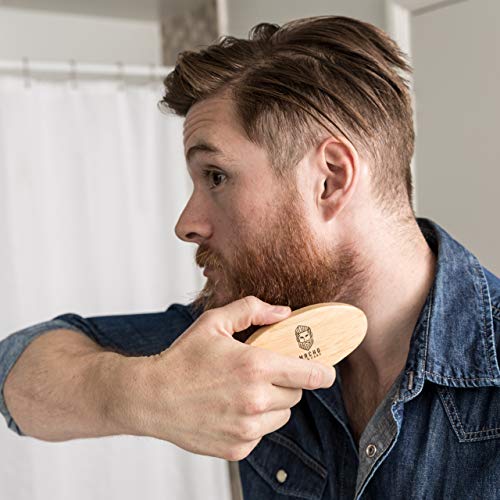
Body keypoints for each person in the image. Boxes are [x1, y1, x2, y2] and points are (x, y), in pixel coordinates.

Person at [1, 14, 499, 500]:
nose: (186, 224)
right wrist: (144, 393)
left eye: (216, 176)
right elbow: (15, 369)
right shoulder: (246, 339)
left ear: (329, 180)